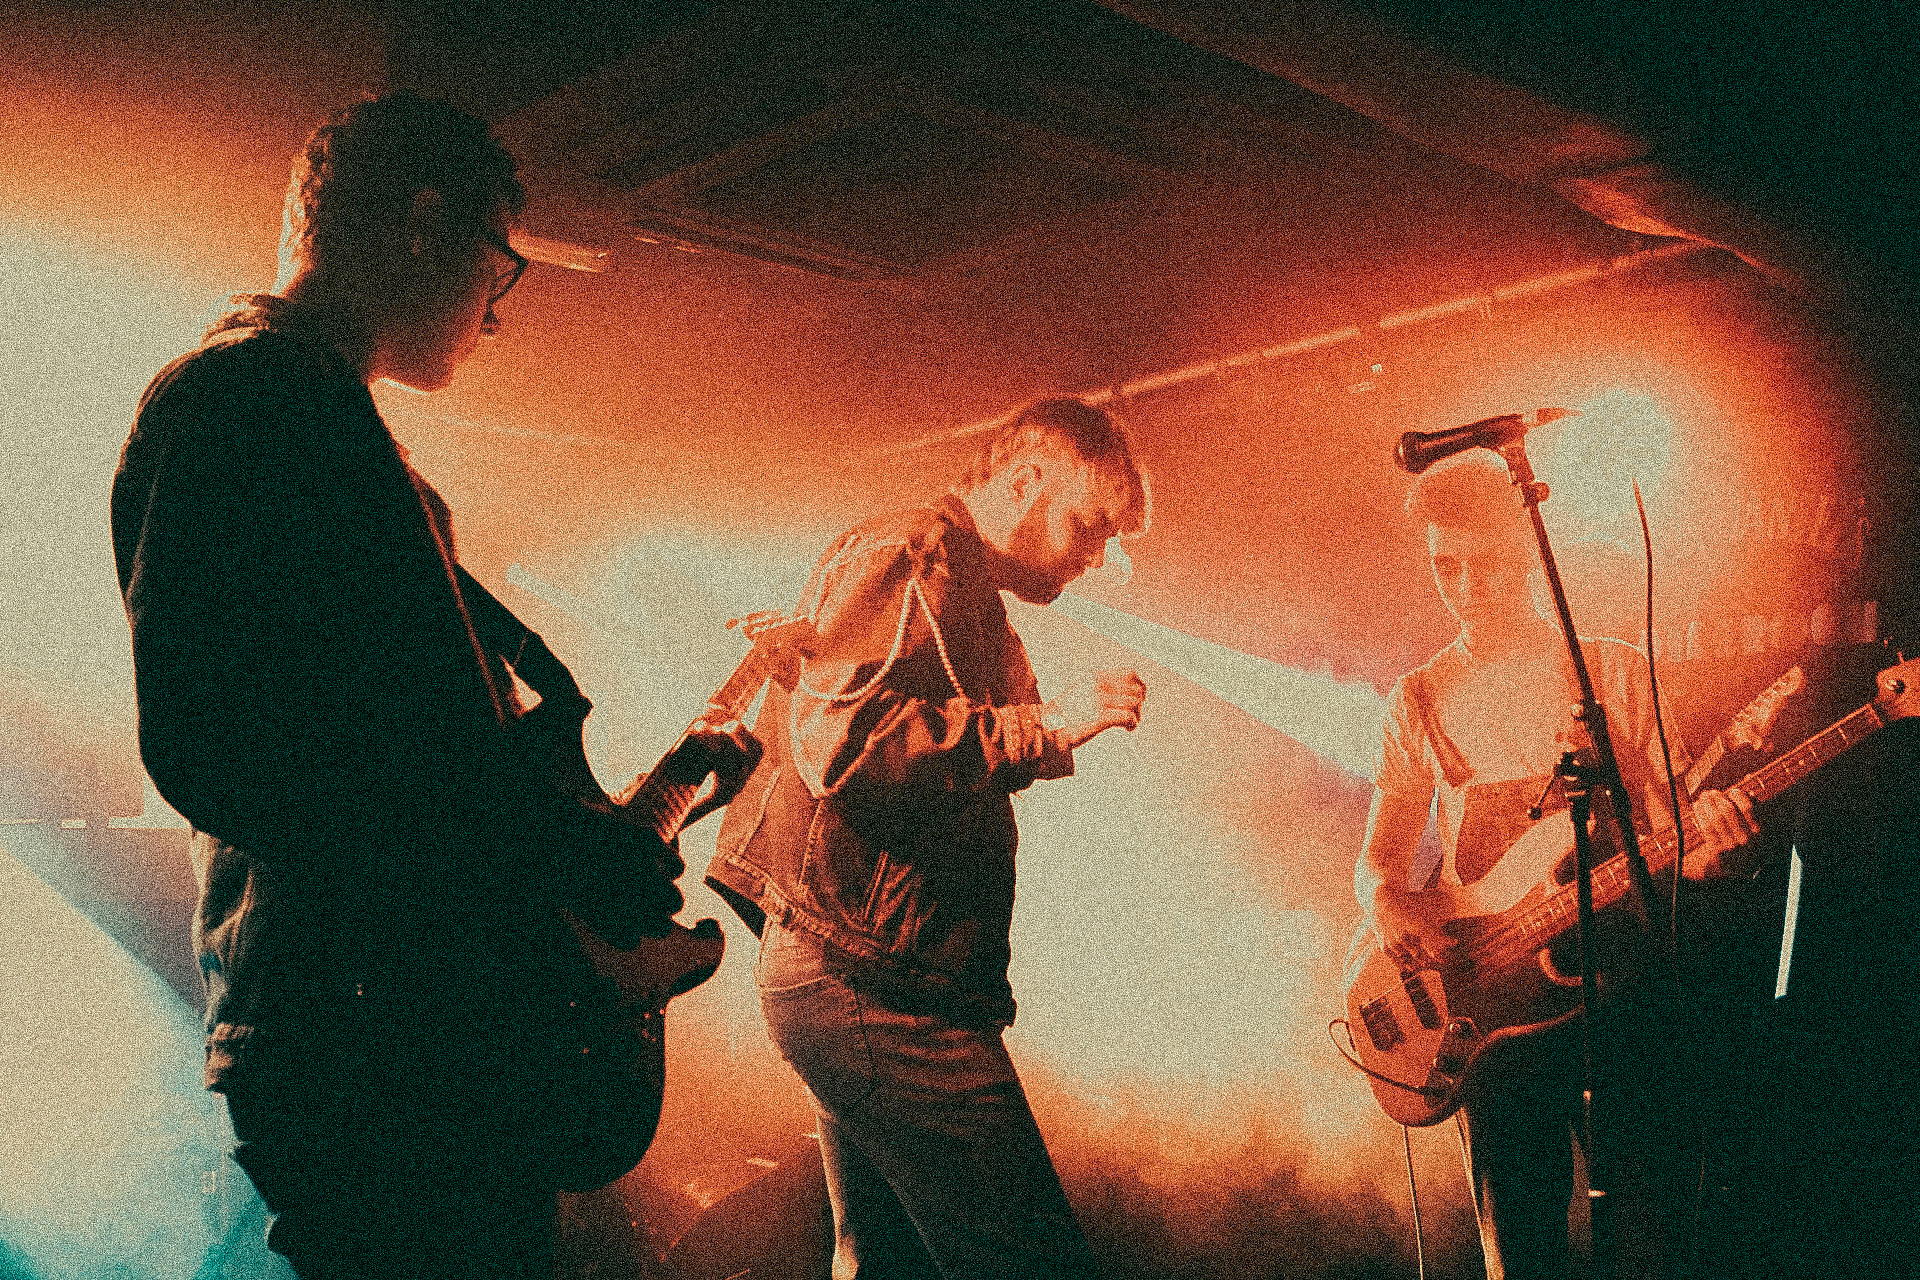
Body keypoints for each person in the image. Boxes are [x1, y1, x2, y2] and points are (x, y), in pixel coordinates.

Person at [111, 91, 752, 1277]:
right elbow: (206, 737)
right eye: (499, 271)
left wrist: (594, 828)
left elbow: (426, 754)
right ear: (420, 223)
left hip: (398, 1015)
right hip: (366, 1024)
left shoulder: (322, 417)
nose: (497, 315)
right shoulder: (252, 395)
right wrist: (524, 857)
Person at [705, 398, 1151, 1279]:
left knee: (883, 1263)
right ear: (1025, 480)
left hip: (856, 969)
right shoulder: (915, 553)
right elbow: (847, 747)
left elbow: (930, 755)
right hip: (875, 983)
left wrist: (1038, 727)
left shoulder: (963, 586)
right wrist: (1044, 724)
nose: (1097, 557)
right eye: (1088, 526)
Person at [1354, 453, 1761, 1279]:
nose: (1466, 587)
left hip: (1624, 995)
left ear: (1531, 552)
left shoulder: (1611, 670)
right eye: (1444, 567)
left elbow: (1673, 841)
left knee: (1652, 1250)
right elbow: (1377, 864)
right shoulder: (1418, 697)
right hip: (1494, 1022)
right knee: (1522, 1256)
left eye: (1486, 564)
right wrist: (1387, 909)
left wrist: (1713, 851)